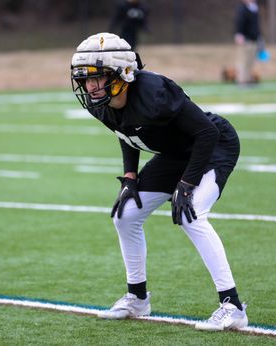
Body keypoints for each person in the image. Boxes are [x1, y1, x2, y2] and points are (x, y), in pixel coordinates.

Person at [71, 32, 248, 331]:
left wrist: (187, 184)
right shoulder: (99, 103)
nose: (90, 86)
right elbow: (125, 130)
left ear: (122, 73)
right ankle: (137, 299)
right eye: (85, 78)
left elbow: (206, 133)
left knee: (192, 215)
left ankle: (232, 307)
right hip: (176, 152)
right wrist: (129, 176)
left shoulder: (155, 92)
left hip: (213, 145)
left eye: (97, 77)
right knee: (126, 216)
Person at [234, 0, 262, 86]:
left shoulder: (254, 8)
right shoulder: (242, 9)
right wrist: (239, 34)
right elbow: (239, 22)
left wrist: (259, 36)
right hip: (246, 39)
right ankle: (242, 81)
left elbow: (256, 25)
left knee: (251, 62)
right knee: (244, 61)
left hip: (254, 38)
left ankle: (249, 79)